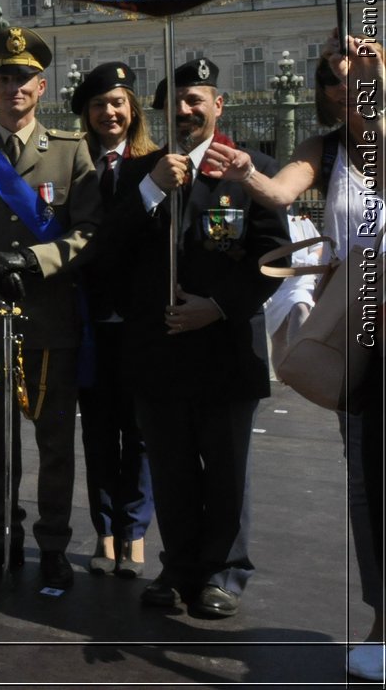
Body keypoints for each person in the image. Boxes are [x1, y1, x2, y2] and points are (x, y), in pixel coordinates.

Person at [204, 38, 380, 656]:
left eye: (355, 73)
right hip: (356, 321)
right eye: (333, 78)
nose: (344, 86)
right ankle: (383, 618)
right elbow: (280, 195)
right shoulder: (325, 152)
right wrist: (244, 170)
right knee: (365, 475)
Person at [103, 58, 288, 619]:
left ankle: (225, 573)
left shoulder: (252, 170)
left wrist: (218, 307)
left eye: (195, 100)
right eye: (173, 103)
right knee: (172, 469)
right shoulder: (141, 174)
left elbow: (274, 259)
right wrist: (150, 193)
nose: (184, 111)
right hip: (159, 353)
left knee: (227, 470)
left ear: (218, 105)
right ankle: (178, 567)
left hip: (225, 349)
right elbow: (110, 251)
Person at [0, 26, 99, 590]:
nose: (14, 88)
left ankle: (52, 544)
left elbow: (87, 231)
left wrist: (34, 261)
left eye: (24, 78)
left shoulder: (69, 150)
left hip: (48, 318)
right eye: (4, 78)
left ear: (41, 85)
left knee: (55, 443)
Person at [70, 61, 157, 578]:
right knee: (98, 430)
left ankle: (136, 530)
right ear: (87, 112)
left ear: (133, 110)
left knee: (140, 431)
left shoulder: (154, 165)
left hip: (140, 321)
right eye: (100, 104)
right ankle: (105, 530)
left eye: (118, 102)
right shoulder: (75, 165)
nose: (109, 112)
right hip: (88, 318)